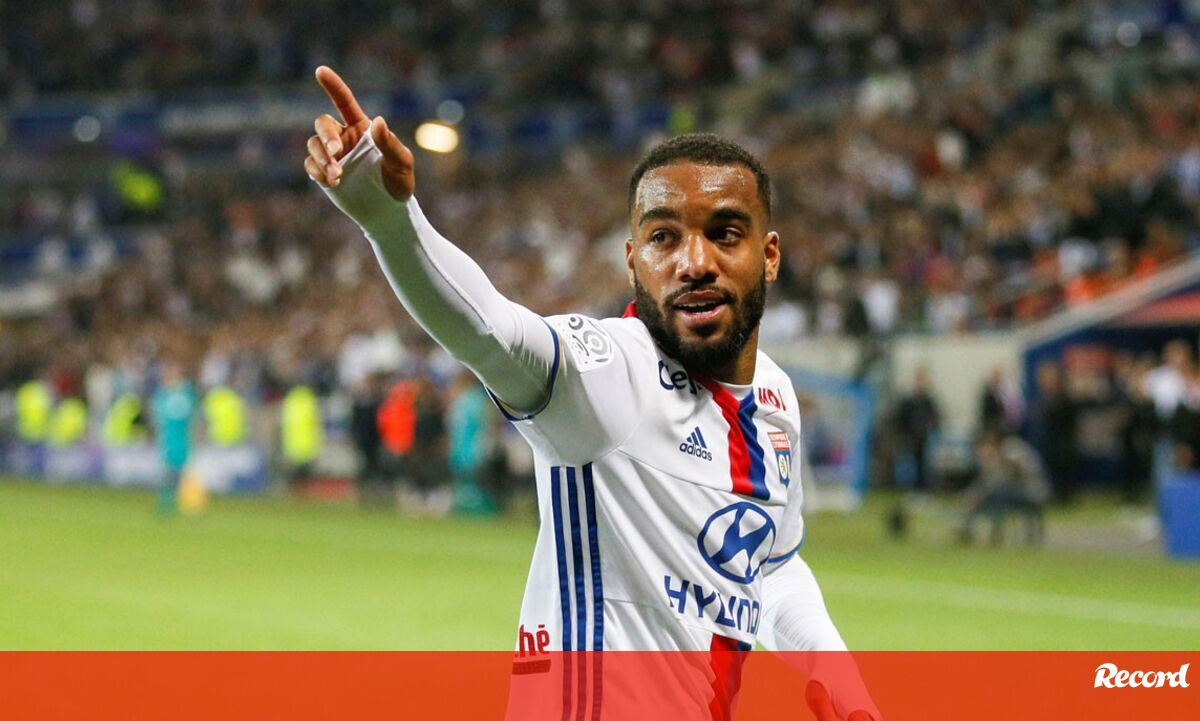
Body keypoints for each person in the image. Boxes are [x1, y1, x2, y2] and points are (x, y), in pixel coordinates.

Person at [304, 67, 877, 721]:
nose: (694, 262)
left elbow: (769, 564)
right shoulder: (607, 374)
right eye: (663, 238)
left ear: (769, 255)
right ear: (633, 260)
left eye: (724, 233)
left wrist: (834, 671)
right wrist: (391, 220)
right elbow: (489, 330)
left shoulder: (775, 398)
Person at [959, 430, 1050, 546]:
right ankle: (968, 531)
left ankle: (996, 534)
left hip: (1031, 491)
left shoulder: (1012, 449)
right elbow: (987, 481)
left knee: (997, 495)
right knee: (986, 496)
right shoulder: (997, 454)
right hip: (1015, 491)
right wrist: (973, 494)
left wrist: (996, 463)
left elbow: (1013, 477)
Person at [149, 360, 198, 517]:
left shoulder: (186, 393)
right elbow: (157, 417)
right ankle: (166, 504)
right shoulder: (163, 394)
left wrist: (195, 436)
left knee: (180, 472)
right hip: (168, 439)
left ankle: (185, 502)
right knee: (168, 472)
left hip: (183, 439)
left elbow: (194, 417)